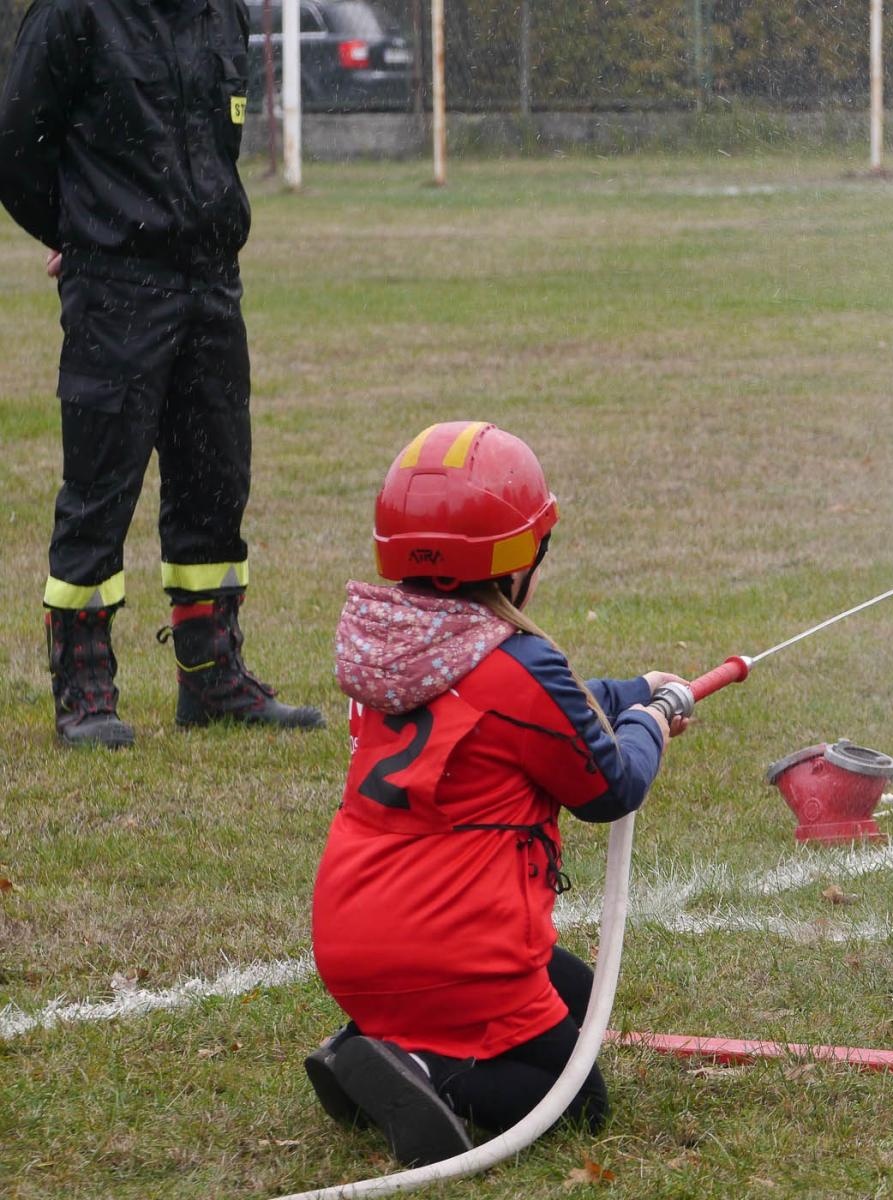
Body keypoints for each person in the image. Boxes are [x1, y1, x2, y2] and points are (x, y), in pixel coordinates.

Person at [306, 421, 685, 1167]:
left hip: (355, 937)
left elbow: (549, 706)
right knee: (578, 1102)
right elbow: (611, 787)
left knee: (573, 991)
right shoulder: (517, 666)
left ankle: (370, 1041)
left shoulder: (390, 650)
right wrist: (656, 720)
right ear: (521, 556)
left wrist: (636, 690)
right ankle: (425, 1071)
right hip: (449, 946)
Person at [0, 0, 323, 747]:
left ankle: (211, 678)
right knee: (100, 487)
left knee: (215, 481)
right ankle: (84, 690)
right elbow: (15, 144)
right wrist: (80, 229)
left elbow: (218, 143)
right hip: (117, 286)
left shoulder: (224, 14)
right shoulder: (75, 13)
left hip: (212, 284)